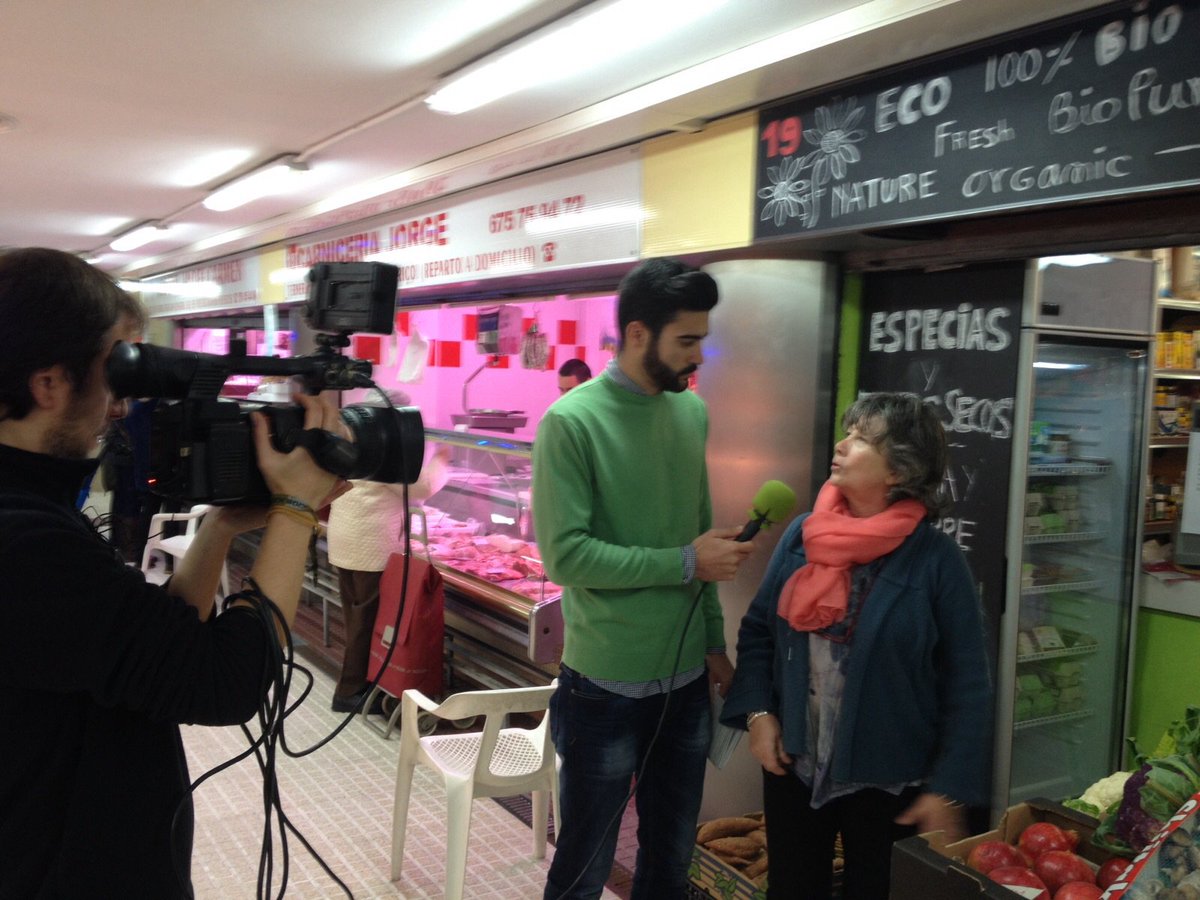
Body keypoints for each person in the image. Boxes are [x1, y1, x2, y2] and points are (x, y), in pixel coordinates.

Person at [0, 247, 349, 898]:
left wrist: (220, 528)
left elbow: (159, 649)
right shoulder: (25, 542)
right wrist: (296, 508)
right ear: (49, 384)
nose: (119, 404)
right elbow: (225, 683)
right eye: (116, 368)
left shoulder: (33, 511)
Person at [534, 257, 756, 900]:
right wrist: (684, 562)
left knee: (671, 858)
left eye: (701, 340)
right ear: (637, 334)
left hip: (685, 683)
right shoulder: (570, 422)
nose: (698, 356)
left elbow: (700, 531)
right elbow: (566, 558)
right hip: (602, 686)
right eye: (686, 340)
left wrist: (713, 644)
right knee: (585, 864)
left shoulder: (691, 414)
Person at [721, 392, 993, 900]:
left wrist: (947, 788)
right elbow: (759, 631)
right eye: (847, 432)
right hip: (794, 765)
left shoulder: (936, 561)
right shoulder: (803, 535)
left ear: (899, 471)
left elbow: (968, 684)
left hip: (890, 782)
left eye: (862, 438)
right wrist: (758, 714)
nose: (842, 445)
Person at [325, 392, 450, 713]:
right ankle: (350, 692)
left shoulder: (355, 438)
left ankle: (362, 685)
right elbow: (421, 488)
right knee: (365, 622)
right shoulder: (382, 449)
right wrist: (442, 459)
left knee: (357, 617)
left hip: (346, 541)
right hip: (370, 547)